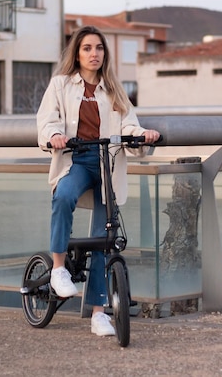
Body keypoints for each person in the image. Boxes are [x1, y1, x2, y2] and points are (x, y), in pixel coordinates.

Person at [37, 25, 161, 337]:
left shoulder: (114, 90)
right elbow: (48, 119)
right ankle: (58, 268)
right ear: (76, 54)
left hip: (107, 163)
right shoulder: (60, 85)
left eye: (99, 48)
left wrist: (143, 135)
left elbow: (129, 124)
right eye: (87, 48)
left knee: (105, 236)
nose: (95, 54)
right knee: (63, 196)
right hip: (76, 160)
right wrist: (53, 136)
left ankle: (98, 313)